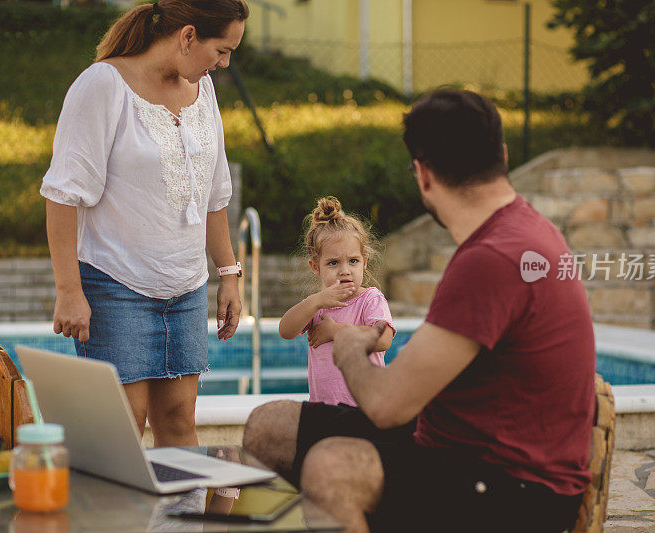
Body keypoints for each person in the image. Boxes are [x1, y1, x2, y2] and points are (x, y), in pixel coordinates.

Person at [242, 90, 596, 532]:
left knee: (332, 468)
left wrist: (350, 345)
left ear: (423, 175)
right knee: (267, 427)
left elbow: (387, 405)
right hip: (455, 439)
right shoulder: (515, 235)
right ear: (501, 156)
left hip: (517, 482)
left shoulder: (494, 257)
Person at [41, 0, 249, 447]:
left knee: (179, 422)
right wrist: (68, 291)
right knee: (121, 430)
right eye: (222, 49)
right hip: (116, 286)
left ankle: (184, 519)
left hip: (187, 287)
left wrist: (229, 274)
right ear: (188, 36)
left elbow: (214, 194)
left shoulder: (204, 90)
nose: (225, 63)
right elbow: (62, 194)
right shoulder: (102, 85)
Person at [279, 196, 396, 407]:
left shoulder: (370, 299)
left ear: (364, 262)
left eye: (353, 261)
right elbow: (285, 331)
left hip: (364, 409)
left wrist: (335, 331)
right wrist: (315, 301)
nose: (345, 271)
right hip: (323, 410)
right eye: (333, 263)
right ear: (316, 267)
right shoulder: (316, 305)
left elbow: (383, 340)